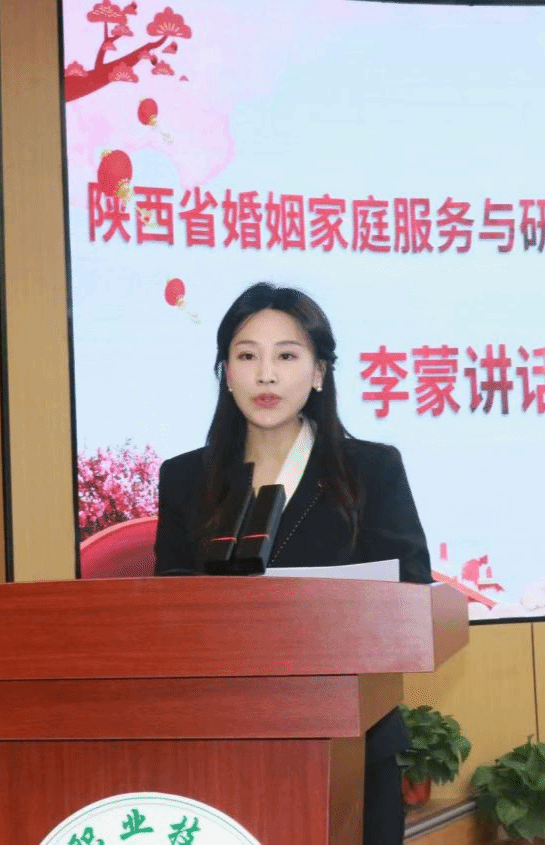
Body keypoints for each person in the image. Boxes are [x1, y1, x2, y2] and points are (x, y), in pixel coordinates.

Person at [154, 281, 432, 845]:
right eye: (246, 356)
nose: (265, 376)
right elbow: (168, 609)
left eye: (286, 356)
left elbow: (411, 593)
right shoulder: (184, 479)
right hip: (222, 740)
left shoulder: (370, 470)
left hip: (351, 738)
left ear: (319, 372)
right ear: (225, 372)